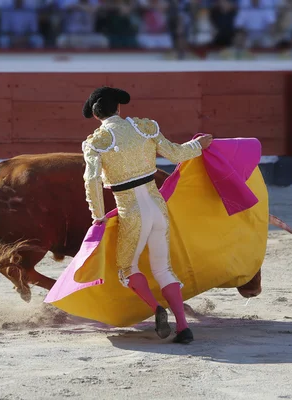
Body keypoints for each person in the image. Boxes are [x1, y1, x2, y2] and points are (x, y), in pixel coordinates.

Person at [81, 87, 212, 344]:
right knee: (163, 268)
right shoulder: (145, 127)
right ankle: (184, 328)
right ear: (119, 108)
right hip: (157, 206)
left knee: (128, 268)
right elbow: (175, 153)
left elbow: (92, 179)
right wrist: (198, 144)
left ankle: (156, 309)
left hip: (131, 211)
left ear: (97, 117)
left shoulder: (96, 143)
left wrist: (97, 215)